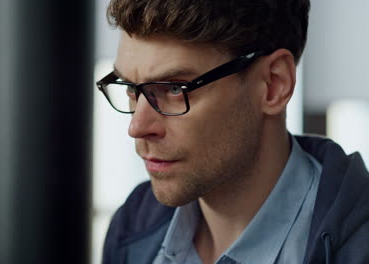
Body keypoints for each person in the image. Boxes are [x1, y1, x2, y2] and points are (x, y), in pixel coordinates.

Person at [96, 0, 369, 263]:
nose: (138, 127)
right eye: (132, 88)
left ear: (273, 84)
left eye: (175, 89)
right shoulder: (132, 227)